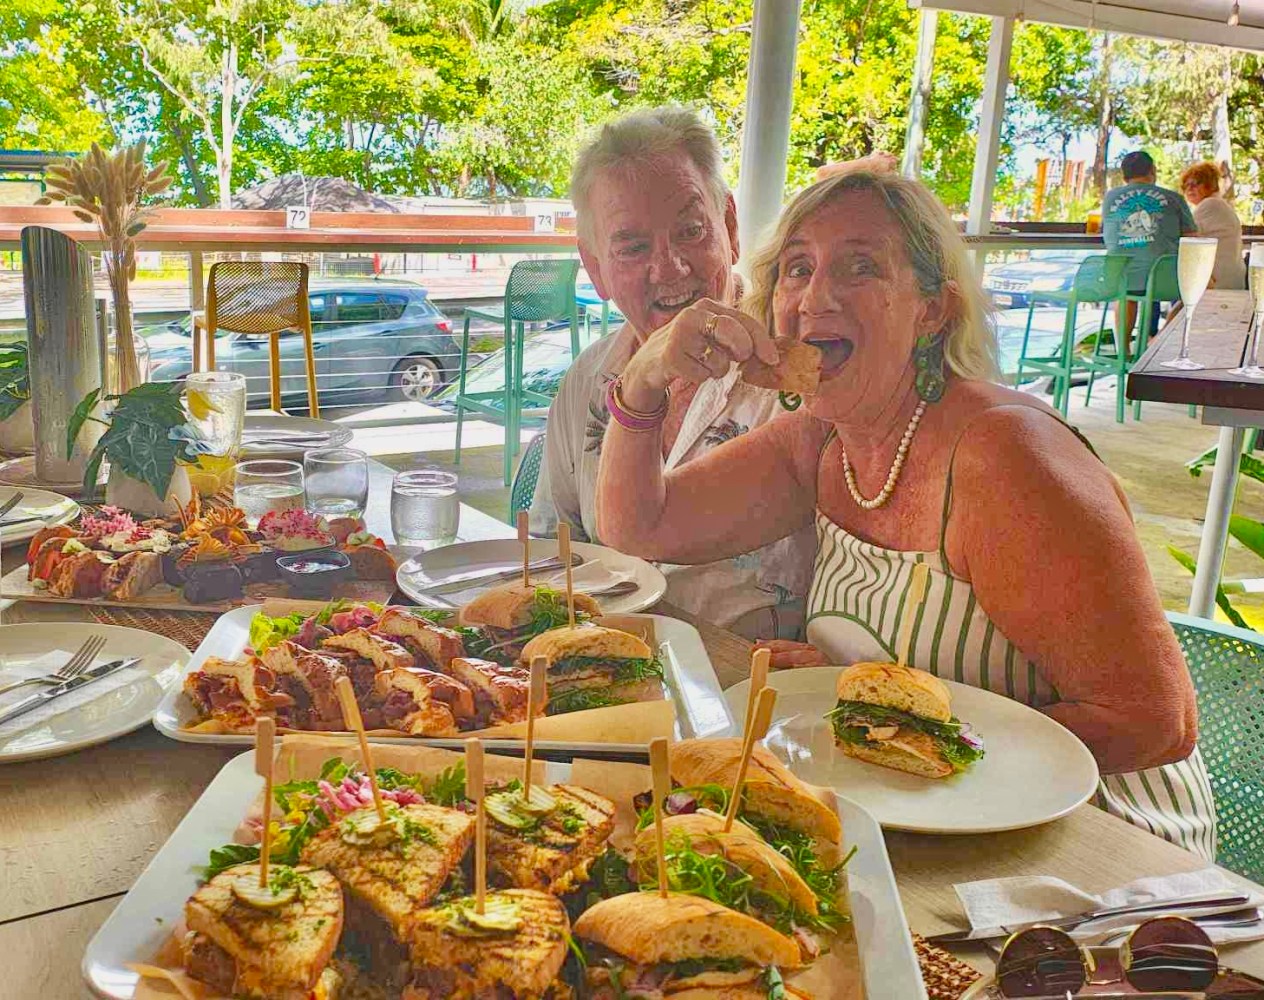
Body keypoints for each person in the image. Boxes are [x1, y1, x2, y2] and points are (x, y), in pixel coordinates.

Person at [594, 169, 1216, 857]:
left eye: (861, 267)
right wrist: (643, 381)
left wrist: (893, 738)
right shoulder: (821, 437)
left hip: (1105, 853)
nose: (814, 296)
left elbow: (1157, 721)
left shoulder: (1003, 457)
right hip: (912, 822)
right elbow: (639, 528)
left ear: (932, 310)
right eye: (797, 269)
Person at [528, 105, 815, 639]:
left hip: (754, 692)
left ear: (729, 226)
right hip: (610, 673)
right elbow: (551, 550)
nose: (670, 268)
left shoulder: (800, 377)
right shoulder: (587, 380)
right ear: (596, 268)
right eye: (633, 248)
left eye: (690, 231)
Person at [1103, 150, 1197, 356]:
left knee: (1126, 293)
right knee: (1201, 288)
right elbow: (1193, 239)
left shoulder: (1109, 198)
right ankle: (1159, 340)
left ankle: (1124, 351)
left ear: (1124, 175)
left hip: (1120, 278)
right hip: (1165, 280)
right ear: (1153, 171)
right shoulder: (1173, 198)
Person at [1181, 160, 1246, 290]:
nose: (1189, 189)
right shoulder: (1219, 204)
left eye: (1195, 184)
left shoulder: (1210, 205)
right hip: (1230, 279)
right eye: (1185, 186)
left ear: (1210, 184)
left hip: (1218, 283)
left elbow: (1185, 236)